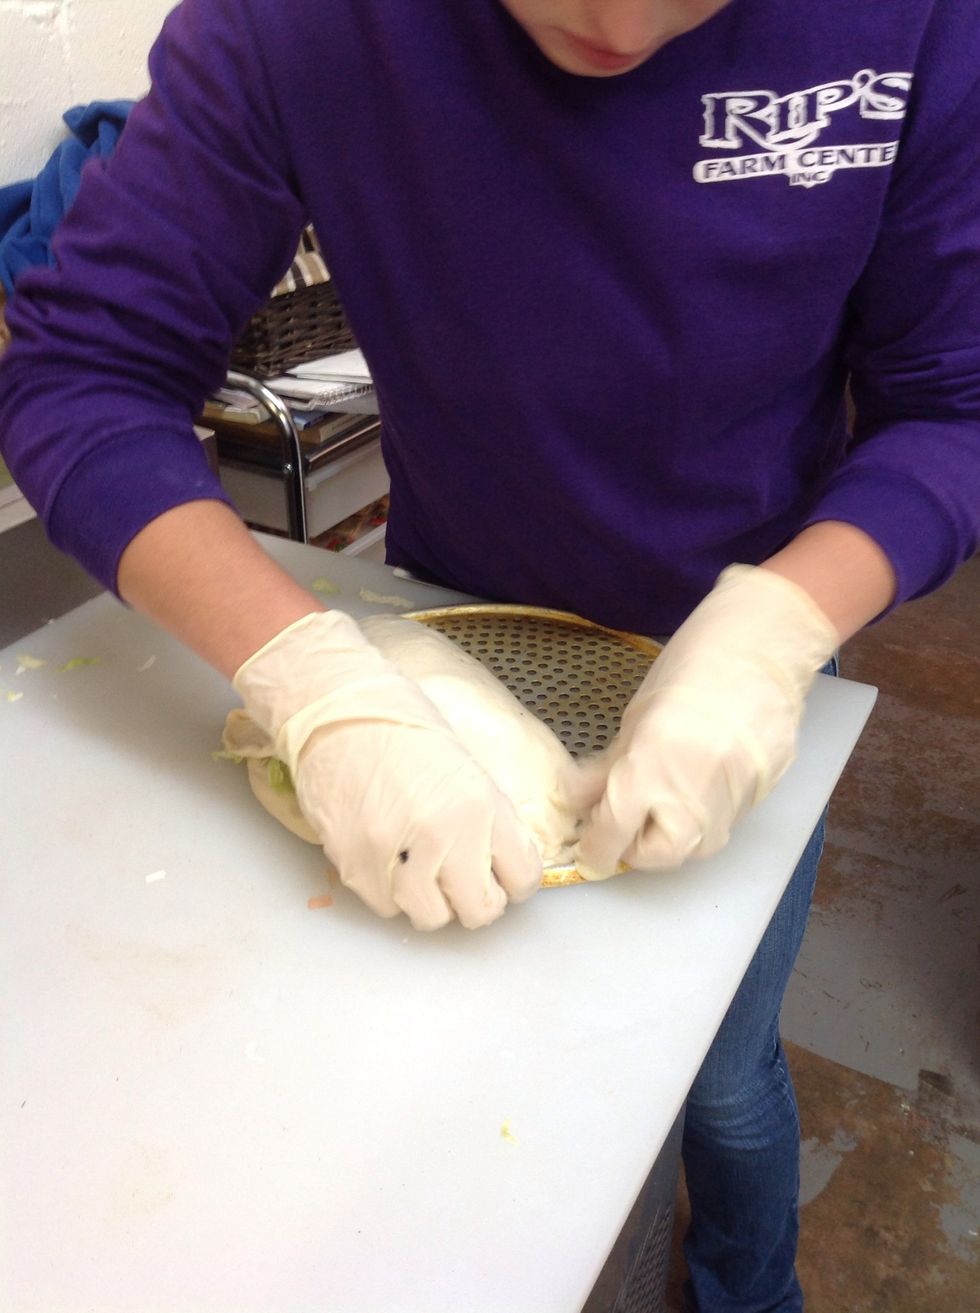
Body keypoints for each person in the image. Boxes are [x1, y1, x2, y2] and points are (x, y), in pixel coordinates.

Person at [1, 2, 977, 1307]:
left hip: (765, 640)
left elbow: (955, 400)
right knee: (484, 1038)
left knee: (724, 1071)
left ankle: (749, 1286)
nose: (620, 21)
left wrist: (784, 624)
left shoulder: (917, 22)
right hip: (453, 622)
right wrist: (312, 681)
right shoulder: (302, 24)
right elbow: (83, 372)